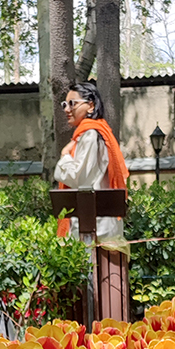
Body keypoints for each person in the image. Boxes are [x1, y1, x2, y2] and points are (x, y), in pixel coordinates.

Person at [54, 83, 128, 242]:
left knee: (92, 266)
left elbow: (79, 178)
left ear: (90, 106)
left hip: (93, 225)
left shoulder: (90, 134)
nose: (67, 109)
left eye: (72, 104)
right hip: (100, 221)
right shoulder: (96, 131)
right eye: (65, 104)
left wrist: (65, 156)